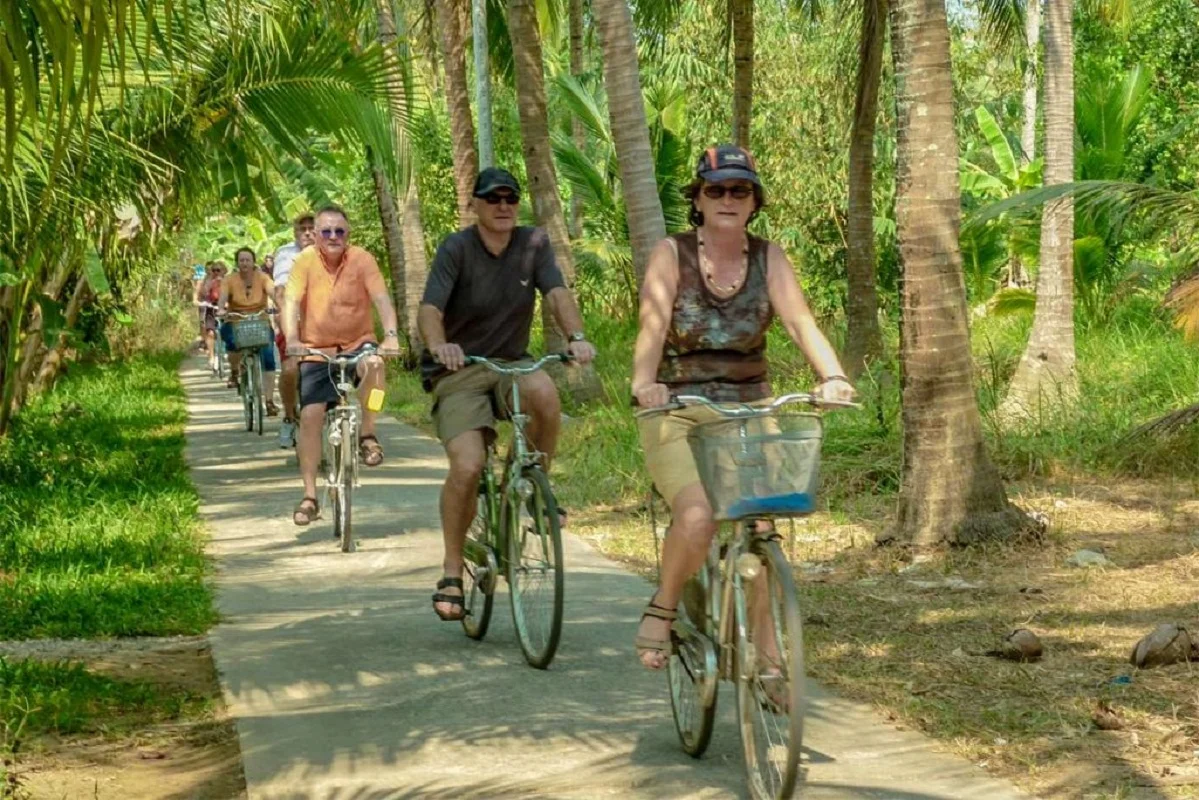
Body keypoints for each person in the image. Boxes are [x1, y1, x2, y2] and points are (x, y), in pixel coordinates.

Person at [630, 145, 855, 671]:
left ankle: (770, 654)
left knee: (760, 529)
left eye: (740, 190)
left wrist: (834, 376)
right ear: (699, 200)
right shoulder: (673, 254)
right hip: (679, 408)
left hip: (750, 407)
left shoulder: (769, 256)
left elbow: (800, 323)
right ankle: (661, 608)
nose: (728, 199)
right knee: (698, 514)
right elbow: (652, 325)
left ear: (754, 201)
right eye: (716, 190)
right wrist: (645, 383)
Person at [417, 167, 596, 622]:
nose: (503, 207)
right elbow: (430, 309)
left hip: (511, 364)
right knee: (468, 465)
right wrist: (441, 345)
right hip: (459, 370)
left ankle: (535, 485)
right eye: (493, 199)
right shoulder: (456, 248)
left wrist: (576, 335)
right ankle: (453, 571)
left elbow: (556, 293)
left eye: (510, 199)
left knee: (544, 392)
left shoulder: (533, 244)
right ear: (474, 205)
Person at [283, 205, 401, 526]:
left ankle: (368, 432)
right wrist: (292, 338)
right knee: (310, 416)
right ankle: (309, 496)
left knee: (375, 367)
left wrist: (390, 336)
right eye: (326, 232)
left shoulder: (362, 259)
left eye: (340, 231)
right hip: (316, 349)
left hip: (358, 342)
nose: (333, 237)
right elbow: (291, 301)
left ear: (348, 234)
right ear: (317, 236)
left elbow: (381, 300)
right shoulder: (304, 262)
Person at [272, 213, 317, 448]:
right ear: (295, 233)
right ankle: (289, 416)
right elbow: (280, 292)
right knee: (290, 369)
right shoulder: (286, 254)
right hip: (294, 320)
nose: (308, 232)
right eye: (303, 229)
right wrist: (288, 322)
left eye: (312, 228)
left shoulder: (330, 249)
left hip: (325, 322)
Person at [218, 247, 279, 414]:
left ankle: (269, 400)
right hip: (236, 320)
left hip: (260, 320)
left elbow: (274, 293)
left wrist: (281, 305)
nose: (245, 263)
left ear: (253, 262)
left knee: (268, 358)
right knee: (231, 342)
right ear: (237, 263)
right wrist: (222, 310)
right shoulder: (229, 280)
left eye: (248, 260)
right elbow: (222, 298)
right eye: (241, 260)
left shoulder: (263, 278)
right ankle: (235, 370)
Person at [193, 262, 225, 370]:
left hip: (224, 309)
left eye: (218, 270)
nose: (216, 272)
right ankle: (211, 356)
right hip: (211, 308)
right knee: (210, 332)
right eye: (214, 270)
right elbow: (199, 295)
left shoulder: (228, 281)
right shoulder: (205, 281)